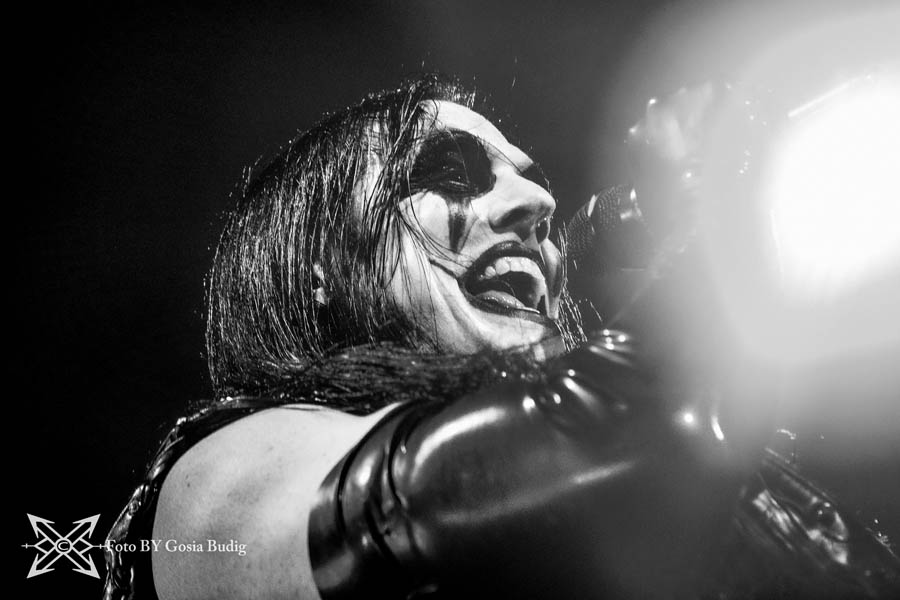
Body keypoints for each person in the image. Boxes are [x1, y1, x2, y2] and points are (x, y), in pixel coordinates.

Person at [103, 74, 898, 600]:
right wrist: (713, 216)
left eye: (533, 182)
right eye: (449, 175)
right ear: (319, 268)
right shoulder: (213, 492)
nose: (535, 207)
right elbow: (590, 455)